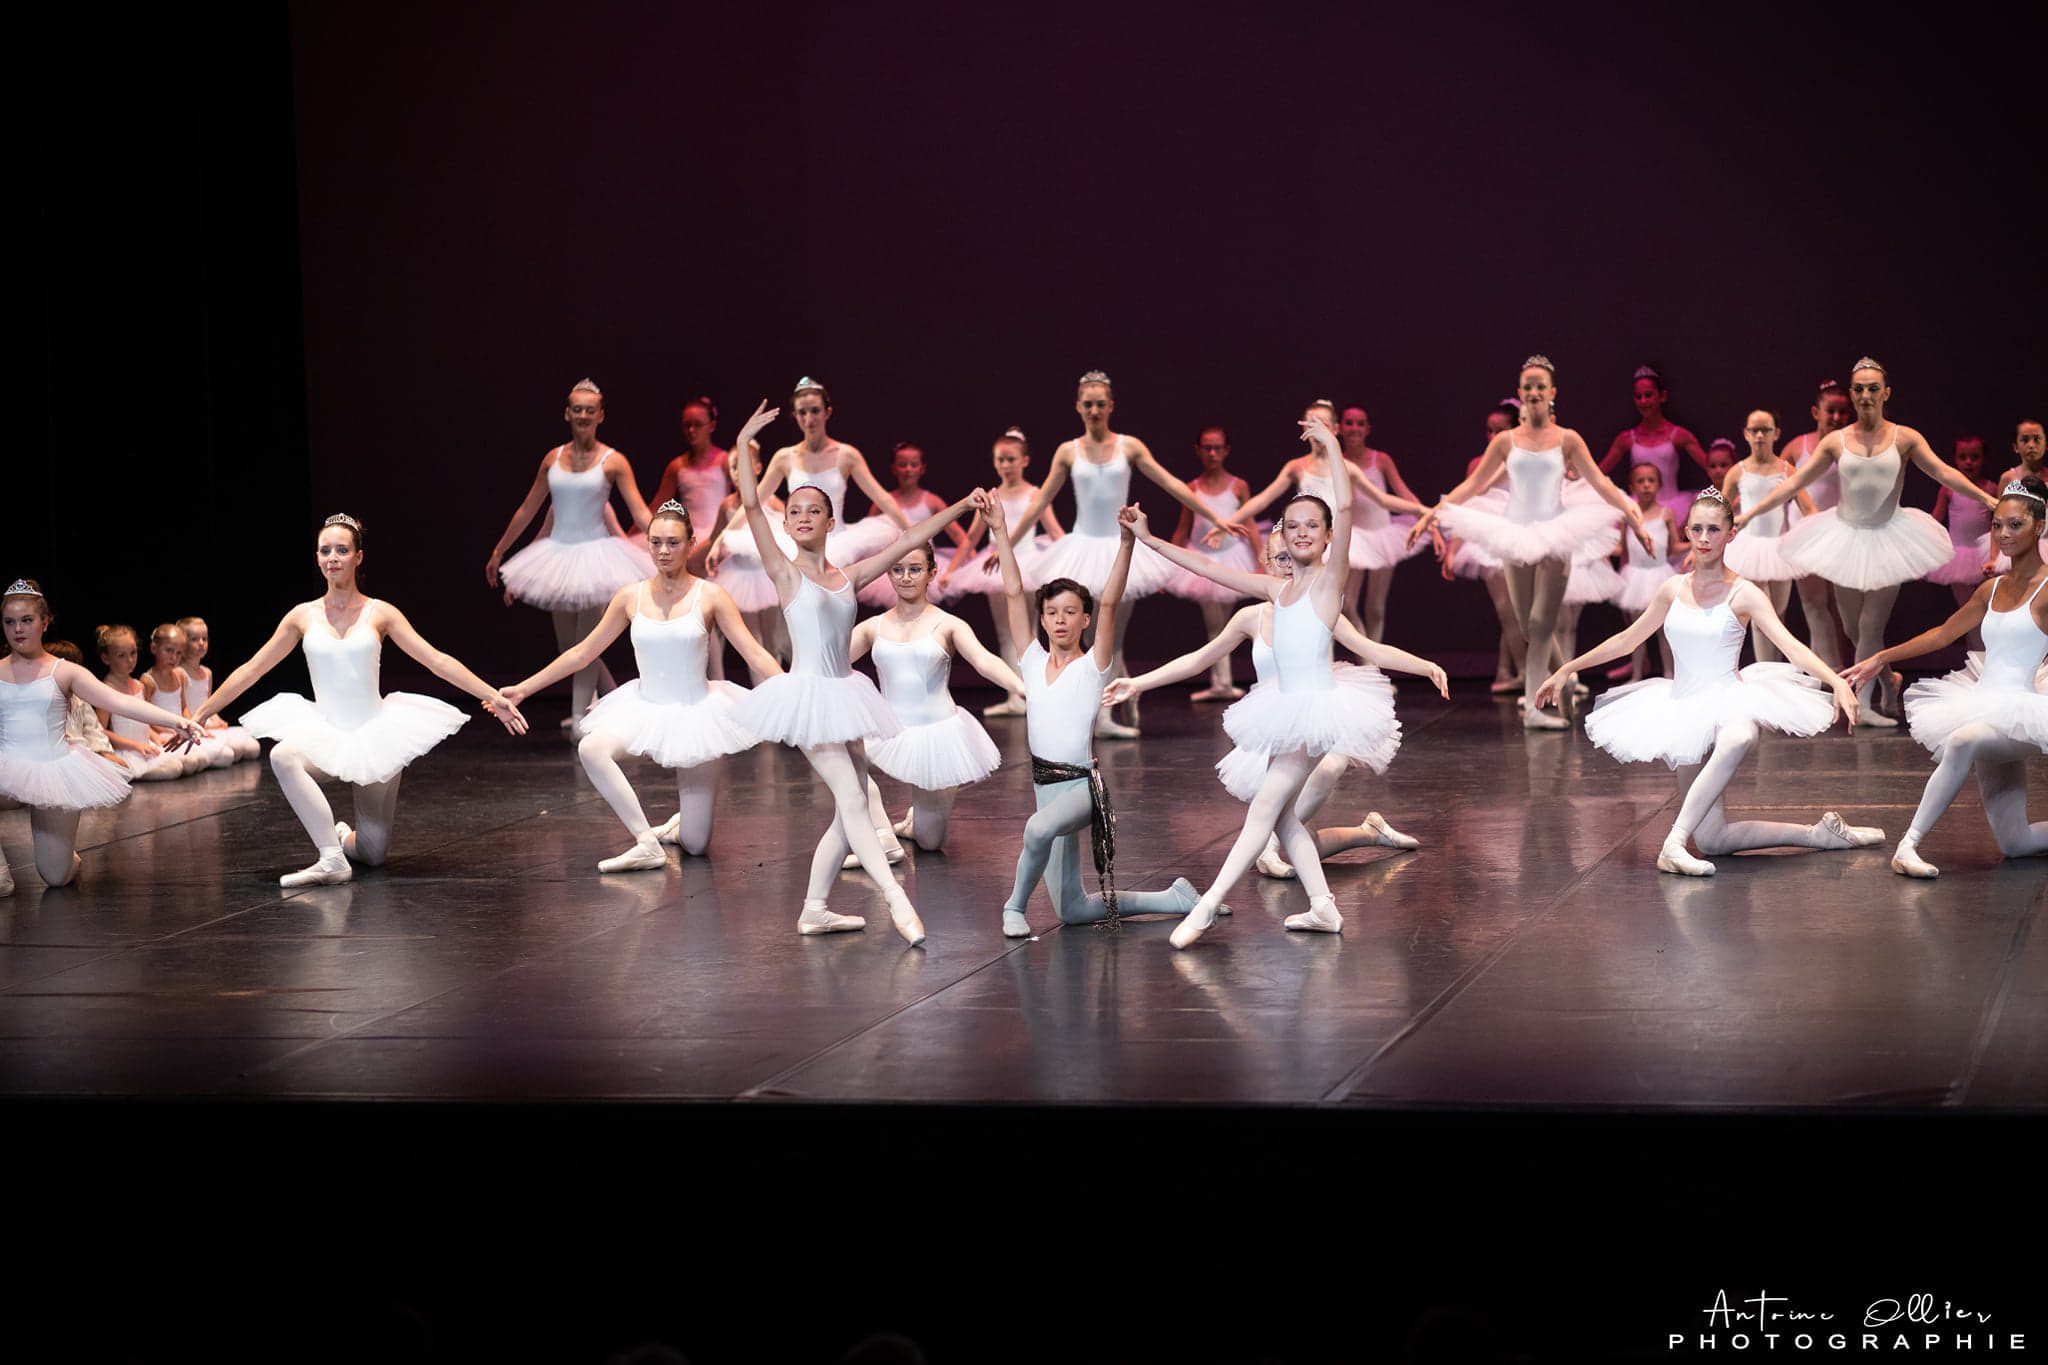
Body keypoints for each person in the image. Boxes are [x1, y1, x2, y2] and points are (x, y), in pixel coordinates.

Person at [1122, 417, 1409, 947]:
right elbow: (1205, 571)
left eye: (1309, 526)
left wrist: (1329, 450)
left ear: (1326, 539)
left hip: (1314, 713)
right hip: (1283, 716)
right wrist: (1148, 540)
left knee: (1262, 810)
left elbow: (1345, 509)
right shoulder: (1269, 598)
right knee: (1281, 823)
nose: (1298, 535)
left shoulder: (1328, 588)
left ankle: (1206, 906)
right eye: (1290, 527)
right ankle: (1323, 906)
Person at [726, 402, 983, 945]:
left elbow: (910, 540)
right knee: (851, 800)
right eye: (793, 510)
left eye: (811, 511)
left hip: (846, 694)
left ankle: (815, 908)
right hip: (810, 700)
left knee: (851, 809)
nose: (799, 517)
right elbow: (751, 504)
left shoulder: (848, 576)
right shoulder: (785, 571)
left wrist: (962, 503)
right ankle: (897, 902)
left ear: (829, 521)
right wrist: (745, 440)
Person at [1536, 488, 1882, 875]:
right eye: (1697, 529)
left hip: (1729, 699)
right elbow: (1626, 640)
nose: (1704, 538)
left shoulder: (1744, 593)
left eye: (1713, 530)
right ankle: (1820, 834)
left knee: (1740, 736)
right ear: (1685, 532)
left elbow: (1791, 646)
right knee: (1713, 840)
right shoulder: (1672, 589)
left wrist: (1835, 680)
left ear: (1730, 535)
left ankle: (1671, 843)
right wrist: (1566, 668)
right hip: (1684, 708)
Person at [197, 515, 528, 887]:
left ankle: (343, 839)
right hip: (325, 730)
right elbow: (252, 669)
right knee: (283, 756)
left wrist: (491, 695)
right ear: (317, 557)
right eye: (325, 551)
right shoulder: (302, 616)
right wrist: (201, 713)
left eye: (341, 550)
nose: (332, 558)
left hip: (375, 734)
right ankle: (331, 857)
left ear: (358, 557)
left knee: (373, 853)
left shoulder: (380, 613)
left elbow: (436, 660)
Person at [1105, 526, 1439, 878]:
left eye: (1295, 557)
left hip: (1319, 720)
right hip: (1275, 731)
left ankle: (1269, 852)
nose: (1289, 565)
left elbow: (1368, 648)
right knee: (1296, 836)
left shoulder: (1320, 608)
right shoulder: (1251, 618)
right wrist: (1137, 683)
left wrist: (1425, 666)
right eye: (1280, 558)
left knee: (1325, 771)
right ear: (1265, 564)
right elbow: (1198, 659)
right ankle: (1369, 832)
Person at [499, 500, 779, 872]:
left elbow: (754, 654)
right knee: (592, 747)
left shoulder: (710, 596)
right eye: (657, 542)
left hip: (698, 714)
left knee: (696, 846)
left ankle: (680, 827)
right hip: (644, 707)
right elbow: (582, 653)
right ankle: (646, 841)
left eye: (674, 543)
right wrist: (523, 689)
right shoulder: (630, 596)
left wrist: (796, 692)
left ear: (691, 543)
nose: (664, 551)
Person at [982, 487, 1203, 938]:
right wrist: (1001, 531)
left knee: (1036, 829)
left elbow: (1110, 600)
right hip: (1044, 783)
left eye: (1070, 612)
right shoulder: (1030, 661)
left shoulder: (1092, 667)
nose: (1060, 620)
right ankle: (1173, 898)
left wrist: (1126, 544)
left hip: (1082, 789)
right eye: (1051, 613)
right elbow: (1011, 590)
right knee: (1073, 910)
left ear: (1084, 619)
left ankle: (1014, 907)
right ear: (1041, 619)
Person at [1733, 358, 1998, 724]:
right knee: (1852, 629)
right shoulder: (1837, 441)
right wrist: (1747, 514)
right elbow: (1793, 483)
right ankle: (1889, 678)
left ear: (1886, 393)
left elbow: (1941, 471)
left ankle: (1866, 705)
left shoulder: (1905, 438)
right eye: (1859, 389)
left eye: (1873, 388)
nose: (1865, 395)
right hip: (1845, 538)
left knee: (1871, 629)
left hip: (1890, 538)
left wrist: (1987, 499)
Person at [1409, 356, 1653, 729]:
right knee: (1527, 627)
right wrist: (1431, 514)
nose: (1534, 392)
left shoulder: (1567, 439)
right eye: (1528, 387)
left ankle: (1534, 707)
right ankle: (1566, 678)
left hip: (1557, 530)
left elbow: (1601, 484)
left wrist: (1635, 518)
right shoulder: (1507, 442)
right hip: (1514, 531)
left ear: (1553, 393)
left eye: (1541, 386)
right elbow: (1473, 486)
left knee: (1541, 622)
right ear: (1520, 393)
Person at [1001, 370, 1246, 737]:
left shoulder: (1129, 446)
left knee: (1110, 639)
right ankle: (1106, 710)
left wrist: (1216, 517)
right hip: (1080, 549)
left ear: (1111, 406)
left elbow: (1170, 482)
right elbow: (1040, 502)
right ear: (1078, 407)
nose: (1095, 410)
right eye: (1088, 404)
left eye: (1101, 404)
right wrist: (1006, 540)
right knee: (1086, 637)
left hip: (1118, 550)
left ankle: (1110, 708)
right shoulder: (1068, 451)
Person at [1843, 476, 2048, 878]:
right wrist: (1881, 656)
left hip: (2022, 712)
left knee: (1962, 740)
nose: (2003, 534)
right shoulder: (1990, 590)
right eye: (1997, 525)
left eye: (2015, 525)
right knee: (2016, 843)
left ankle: (1909, 845)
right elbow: (1942, 634)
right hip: (1981, 701)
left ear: (2039, 527)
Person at [1, 580, 206, 893]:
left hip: (51, 768)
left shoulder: (64, 671)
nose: (18, 629)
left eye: (26, 620)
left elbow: (117, 701)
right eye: (10, 622)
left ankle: (70, 859)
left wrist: (176, 721)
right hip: (7, 767)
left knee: (55, 876)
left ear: (44, 622)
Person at [485, 379, 656, 726]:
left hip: (596, 560)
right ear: (567, 413)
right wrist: (500, 550)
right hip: (557, 558)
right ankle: (613, 702)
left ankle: (582, 719)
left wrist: (668, 537)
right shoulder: (553, 459)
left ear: (600, 416)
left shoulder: (614, 461)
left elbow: (639, 511)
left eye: (589, 410)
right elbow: (527, 509)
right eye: (577, 409)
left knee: (585, 645)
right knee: (570, 649)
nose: (583, 415)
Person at [844, 540, 1025, 855]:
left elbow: (984, 661)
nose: (905, 577)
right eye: (897, 570)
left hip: (937, 735)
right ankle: (883, 836)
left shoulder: (949, 625)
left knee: (930, 842)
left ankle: (914, 823)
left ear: (931, 572)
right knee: (838, 755)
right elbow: (832, 660)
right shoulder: (873, 627)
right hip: (886, 730)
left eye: (915, 569)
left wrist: (1022, 688)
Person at [1232, 400, 1429, 638]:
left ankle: (1369, 661)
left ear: (1334, 429)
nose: (1316, 429)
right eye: (1311, 423)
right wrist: (1227, 521)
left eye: (1322, 424)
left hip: (1337, 544)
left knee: (1343, 605)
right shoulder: (1296, 467)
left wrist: (1423, 512)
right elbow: (1263, 499)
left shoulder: (1347, 468)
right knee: (1313, 606)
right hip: (1308, 545)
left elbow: (1383, 499)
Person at [933, 427, 1064, 716]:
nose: (1005, 465)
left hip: (1028, 564)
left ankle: (1037, 692)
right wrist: (950, 571)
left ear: (1025, 461)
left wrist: (1071, 559)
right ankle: (1016, 695)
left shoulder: (1035, 494)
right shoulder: (991, 496)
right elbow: (971, 538)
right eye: (1000, 460)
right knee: (1005, 634)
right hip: (995, 567)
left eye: (1011, 459)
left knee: (1030, 632)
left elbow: (1055, 531)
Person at [756, 377, 908, 572]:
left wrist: (912, 533)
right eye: (802, 412)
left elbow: (882, 498)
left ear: (828, 412)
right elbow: (754, 502)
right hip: (795, 542)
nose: (809, 420)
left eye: (815, 411)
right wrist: (723, 538)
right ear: (795, 415)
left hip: (837, 542)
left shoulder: (847, 455)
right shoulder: (784, 457)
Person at [1164, 424, 1256, 700]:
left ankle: (1222, 681)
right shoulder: (1191, 488)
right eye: (1207, 448)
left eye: (1217, 447)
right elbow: (1182, 529)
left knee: (1222, 623)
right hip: (1203, 561)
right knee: (1214, 622)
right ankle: (1221, 681)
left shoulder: (1238, 486)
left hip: (1232, 559)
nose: (1212, 453)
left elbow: (1249, 523)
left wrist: (1262, 561)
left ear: (1226, 450)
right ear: (1198, 450)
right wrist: (1166, 568)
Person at [1720, 409, 1814, 662]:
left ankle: (1777, 672)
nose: (1760, 435)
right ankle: (1764, 673)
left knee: (1778, 614)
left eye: (1766, 430)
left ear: (1776, 434)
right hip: (1749, 549)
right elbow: (1721, 512)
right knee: (1760, 614)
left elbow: (1809, 509)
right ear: (1746, 434)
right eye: (1755, 430)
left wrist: (1825, 535)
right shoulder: (1737, 472)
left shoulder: (1787, 471)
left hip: (1778, 548)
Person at [1337, 403, 1430, 639]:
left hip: (1383, 537)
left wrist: (1425, 517)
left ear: (1368, 429)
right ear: (1339, 427)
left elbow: (1402, 493)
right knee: (1346, 605)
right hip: (1354, 537)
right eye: (1349, 422)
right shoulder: (1337, 463)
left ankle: (1374, 666)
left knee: (1376, 607)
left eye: (1360, 423)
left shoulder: (1381, 460)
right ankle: (1367, 655)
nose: (1354, 428)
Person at [1780, 379, 1856, 667]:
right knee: (1813, 604)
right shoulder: (1798, 446)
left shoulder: (1852, 449)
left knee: (1843, 609)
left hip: (1839, 533)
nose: (1836, 418)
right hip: (1803, 533)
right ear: (1816, 412)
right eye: (1830, 411)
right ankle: (1827, 671)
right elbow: (1772, 482)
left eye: (1842, 412)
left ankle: (1843, 668)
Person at [854, 441, 974, 607]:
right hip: (892, 565)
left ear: (922, 468)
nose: (908, 469)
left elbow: (961, 537)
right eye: (903, 465)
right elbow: (865, 539)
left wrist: (971, 563)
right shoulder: (883, 503)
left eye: (913, 465)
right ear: (894, 468)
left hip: (922, 563)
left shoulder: (932, 502)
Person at [1598, 365, 1713, 520]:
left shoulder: (1679, 435)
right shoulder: (1626, 438)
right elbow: (1597, 473)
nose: (1643, 401)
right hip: (1638, 508)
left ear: (1662, 396)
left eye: (1648, 395)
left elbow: (1712, 467)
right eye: (1638, 397)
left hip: (1672, 506)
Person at [1608, 463, 1682, 682]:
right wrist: (1596, 547)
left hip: (1660, 576)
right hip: (1636, 578)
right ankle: (1637, 675)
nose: (1646, 485)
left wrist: (1697, 546)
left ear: (1659, 485)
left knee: (1664, 630)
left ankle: (1670, 674)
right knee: (1636, 632)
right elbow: (1621, 548)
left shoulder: (1666, 514)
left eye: (1651, 480)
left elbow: (1673, 547)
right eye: (1640, 481)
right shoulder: (1629, 515)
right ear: (1632, 486)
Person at [95, 625, 189, 780]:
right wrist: (135, 745)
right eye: (121, 656)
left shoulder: (139, 685)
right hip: (127, 751)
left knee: (179, 764)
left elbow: (142, 723)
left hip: (145, 748)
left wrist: (155, 737)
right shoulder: (106, 690)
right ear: (106, 658)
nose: (130, 660)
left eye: (133, 653)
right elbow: (101, 731)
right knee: (172, 770)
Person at [178, 616, 262, 760]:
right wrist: (200, 726)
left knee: (252, 747)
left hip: (207, 721)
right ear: (182, 643)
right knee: (226, 756)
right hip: (193, 723)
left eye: (204, 639)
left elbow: (209, 701)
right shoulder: (180, 673)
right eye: (194, 639)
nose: (201, 643)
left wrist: (218, 720)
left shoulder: (207, 673)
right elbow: (181, 708)